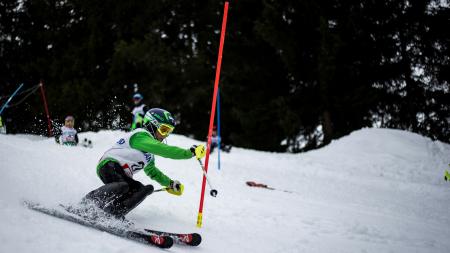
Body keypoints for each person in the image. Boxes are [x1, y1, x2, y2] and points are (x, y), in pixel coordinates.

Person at [83, 108, 206, 219]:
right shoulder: (140, 136)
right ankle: (86, 205)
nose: (165, 135)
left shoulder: (149, 154)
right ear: (152, 125)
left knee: (143, 189)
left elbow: (152, 172)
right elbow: (164, 150)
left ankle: (112, 213)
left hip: (122, 174)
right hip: (108, 165)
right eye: (164, 130)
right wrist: (189, 153)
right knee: (123, 186)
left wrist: (170, 184)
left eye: (168, 132)